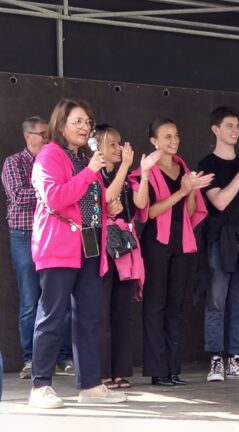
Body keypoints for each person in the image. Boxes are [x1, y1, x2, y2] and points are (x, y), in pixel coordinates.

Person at [28, 99, 127, 408]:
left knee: (90, 316)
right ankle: (40, 385)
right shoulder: (49, 155)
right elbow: (56, 198)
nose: (86, 127)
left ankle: (90, 384)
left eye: (88, 122)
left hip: (90, 245)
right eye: (79, 121)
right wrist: (90, 173)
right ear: (61, 125)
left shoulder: (86, 157)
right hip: (59, 246)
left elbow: (94, 197)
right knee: (52, 315)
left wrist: (110, 205)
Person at [134, 118, 212, 386]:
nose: (174, 141)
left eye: (176, 135)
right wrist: (182, 191)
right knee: (155, 305)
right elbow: (148, 212)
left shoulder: (183, 168)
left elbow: (190, 213)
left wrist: (190, 191)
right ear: (154, 141)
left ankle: (172, 368)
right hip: (156, 241)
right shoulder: (147, 171)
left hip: (182, 242)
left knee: (176, 306)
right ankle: (157, 370)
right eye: (167, 136)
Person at [2, 116, 74, 380]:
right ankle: (31, 359)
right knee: (31, 300)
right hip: (24, 235)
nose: (47, 138)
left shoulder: (58, 158)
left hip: (54, 234)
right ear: (27, 136)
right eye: (42, 134)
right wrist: (49, 188)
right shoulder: (13, 162)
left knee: (60, 298)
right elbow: (19, 197)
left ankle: (63, 356)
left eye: (48, 133)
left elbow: (69, 193)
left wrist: (55, 190)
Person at [197, 106, 239, 382]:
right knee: (216, 299)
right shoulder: (207, 164)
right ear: (215, 129)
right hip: (218, 239)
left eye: (237, 126)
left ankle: (235, 358)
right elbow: (220, 201)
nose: (235, 131)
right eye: (229, 126)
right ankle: (216, 360)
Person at [94, 125, 156, 389]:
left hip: (125, 249)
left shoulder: (128, 176)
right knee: (101, 313)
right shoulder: (93, 175)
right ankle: (101, 372)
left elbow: (141, 205)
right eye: (112, 144)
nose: (119, 149)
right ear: (98, 148)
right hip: (101, 249)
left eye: (119, 143)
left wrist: (142, 174)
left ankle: (119, 370)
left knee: (122, 312)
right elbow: (105, 199)